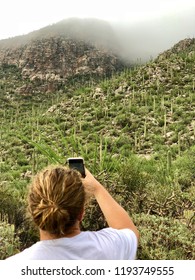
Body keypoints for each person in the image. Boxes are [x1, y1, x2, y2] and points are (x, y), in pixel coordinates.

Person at [6, 165, 139, 260]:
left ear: (33, 212)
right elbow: (129, 230)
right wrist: (97, 189)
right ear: (81, 213)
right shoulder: (111, 248)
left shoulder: (11, 270)